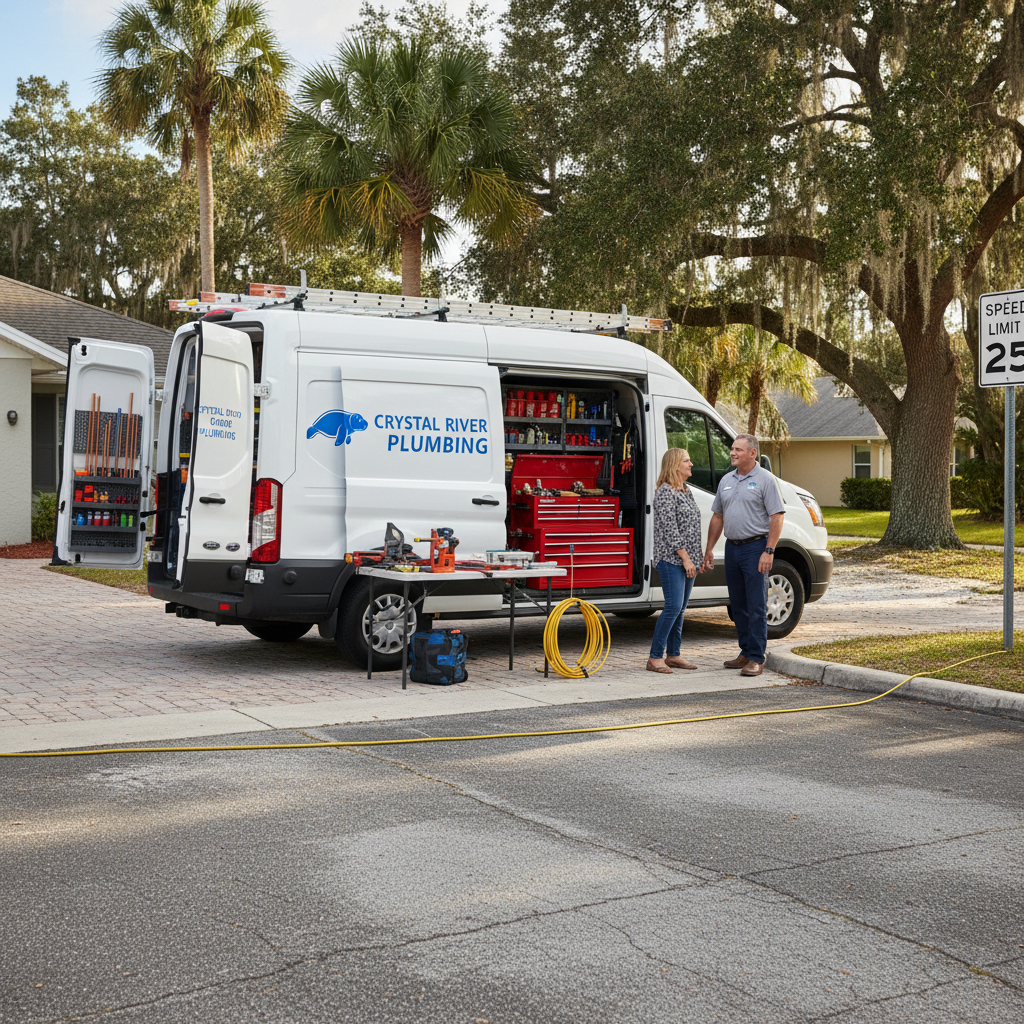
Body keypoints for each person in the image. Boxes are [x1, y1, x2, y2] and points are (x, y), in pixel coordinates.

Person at [700, 433, 785, 677]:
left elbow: (777, 516)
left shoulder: (766, 480)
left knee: (756, 604)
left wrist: (769, 550)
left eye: (738, 449)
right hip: (732, 548)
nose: (733, 453)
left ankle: (757, 657)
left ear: (752, 453)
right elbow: (718, 516)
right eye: (732, 449)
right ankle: (745, 652)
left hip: (755, 548)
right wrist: (709, 548)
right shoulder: (726, 480)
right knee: (738, 605)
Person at [647, 448, 703, 673]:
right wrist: (686, 559)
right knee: (672, 607)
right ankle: (654, 657)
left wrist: (697, 558)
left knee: (680, 609)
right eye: (686, 461)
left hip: (687, 561)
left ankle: (674, 654)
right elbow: (671, 531)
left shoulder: (686, 490)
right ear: (675, 465)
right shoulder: (665, 492)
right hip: (671, 559)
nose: (691, 464)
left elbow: (691, 527)